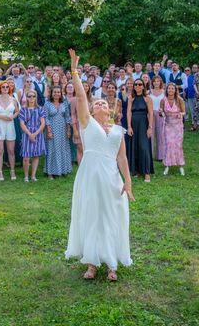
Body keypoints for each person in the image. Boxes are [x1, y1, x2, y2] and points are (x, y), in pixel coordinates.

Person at [65, 49, 134, 282]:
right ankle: (92, 263)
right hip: (91, 174)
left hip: (112, 177)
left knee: (112, 216)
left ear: (110, 109)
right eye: (98, 103)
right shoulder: (87, 124)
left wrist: (128, 181)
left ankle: (112, 264)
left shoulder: (117, 130)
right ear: (93, 110)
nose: (101, 104)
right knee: (93, 215)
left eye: (105, 103)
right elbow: (82, 96)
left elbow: (122, 158)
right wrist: (74, 70)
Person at [0, 80, 20, 181]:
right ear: (0, 88)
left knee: (11, 150)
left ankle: (12, 170)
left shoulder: (13, 100)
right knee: (0, 150)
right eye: (3, 87)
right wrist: (1, 116)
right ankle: (0, 172)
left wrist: (12, 116)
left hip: (10, 126)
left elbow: (17, 111)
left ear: (9, 88)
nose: (5, 89)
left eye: (7, 87)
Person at [127, 79, 154, 182]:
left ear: (143, 86)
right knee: (135, 146)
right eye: (136, 84)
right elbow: (128, 113)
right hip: (133, 123)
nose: (138, 86)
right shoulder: (131, 98)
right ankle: (136, 170)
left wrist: (150, 127)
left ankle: (147, 172)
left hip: (143, 123)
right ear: (133, 86)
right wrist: (129, 126)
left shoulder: (148, 98)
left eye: (140, 84)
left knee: (144, 147)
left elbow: (151, 114)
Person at [44, 85, 72, 178]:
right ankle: (50, 172)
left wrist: (68, 130)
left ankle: (62, 170)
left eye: (58, 92)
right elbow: (46, 118)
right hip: (52, 129)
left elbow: (67, 117)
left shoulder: (64, 103)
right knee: (52, 149)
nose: (56, 94)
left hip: (63, 129)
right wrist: (48, 131)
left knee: (63, 149)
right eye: (55, 92)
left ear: (61, 94)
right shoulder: (47, 104)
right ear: (51, 93)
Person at [19, 90, 46, 182]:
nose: (31, 98)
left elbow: (43, 123)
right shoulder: (23, 109)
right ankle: (26, 176)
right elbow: (22, 124)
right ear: (26, 97)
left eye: (33, 96)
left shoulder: (40, 109)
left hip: (37, 133)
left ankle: (33, 176)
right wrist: (30, 134)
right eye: (29, 96)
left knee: (36, 155)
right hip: (27, 133)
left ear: (36, 97)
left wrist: (35, 134)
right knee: (26, 157)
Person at [162, 83, 185, 176]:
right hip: (168, 125)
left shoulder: (179, 100)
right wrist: (162, 113)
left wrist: (180, 114)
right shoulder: (163, 100)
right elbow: (161, 111)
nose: (170, 90)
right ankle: (167, 165)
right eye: (169, 89)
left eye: (172, 89)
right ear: (166, 90)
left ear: (175, 90)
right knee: (169, 144)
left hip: (178, 126)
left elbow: (184, 112)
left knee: (178, 145)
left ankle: (180, 165)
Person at [149, 76, 166, 162]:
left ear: (160, 82)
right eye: (154, 81)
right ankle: (150, 155)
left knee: (160, 135)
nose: (156, 83)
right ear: (152, 83)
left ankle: (161, 156)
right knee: (151, 135)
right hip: (151, 114)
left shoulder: (164, 92)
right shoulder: (149, 92)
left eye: (158, 81)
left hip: (160, 114)